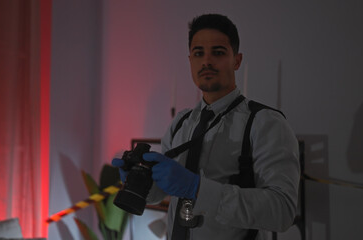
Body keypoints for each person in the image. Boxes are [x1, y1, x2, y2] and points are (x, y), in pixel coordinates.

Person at [112, 13, 300, 240]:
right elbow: (160, 193)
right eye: (198, 53)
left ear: (237, 60)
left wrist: (198, 189)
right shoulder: (180, 123)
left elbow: (282, 211)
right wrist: (138, 180)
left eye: (218, 53)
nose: (207, 61)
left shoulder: (265, 123)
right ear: (190, 59)